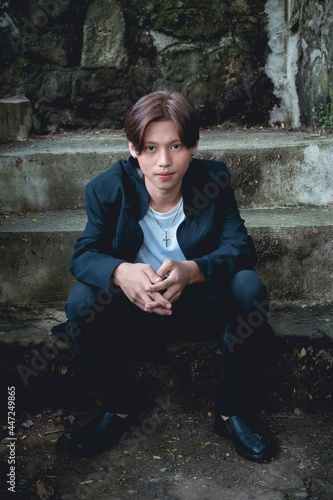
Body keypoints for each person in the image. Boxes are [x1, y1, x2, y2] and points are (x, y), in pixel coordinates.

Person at [65, 90, 276, 462]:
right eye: (150, 148)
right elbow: (83, 255)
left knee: (248, 286)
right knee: (81, 301)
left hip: (200, 306)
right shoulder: (106, 189)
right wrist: (120, 272)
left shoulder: (214, 180)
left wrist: (193, 271)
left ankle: (231, 412)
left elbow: (241, 247)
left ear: (193, 145)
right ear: (133, 148)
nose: (163, 161)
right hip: (135, 312)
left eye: (175, 145)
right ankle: (118, 408)